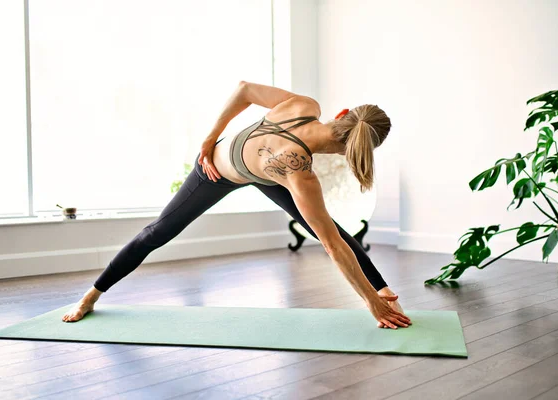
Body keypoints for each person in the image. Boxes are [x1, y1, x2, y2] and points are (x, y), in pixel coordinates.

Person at [62, 81, 412, 329]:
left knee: (327, 227)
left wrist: (375, 295)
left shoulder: (305, 106)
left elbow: (244, 88)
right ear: (355, 150)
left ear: (343, 114)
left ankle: (384, 289)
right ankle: (91, 295)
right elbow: (333, 248)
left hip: (263, 171)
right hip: (214, 171)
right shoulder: (299, 172)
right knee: (158, 232)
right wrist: (369, 304)